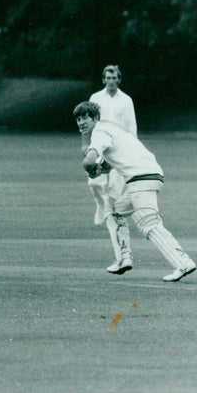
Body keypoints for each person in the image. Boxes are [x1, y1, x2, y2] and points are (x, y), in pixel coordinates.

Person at [76, 101, 196, 282]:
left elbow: (88, 162)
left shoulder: (99, 132)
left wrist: (91, 169)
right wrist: (99, 168)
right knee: (114, 211)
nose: (81, 122)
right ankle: (123, 258)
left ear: (95, 118)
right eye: (78, 119)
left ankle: (183, 263)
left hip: (141, 179)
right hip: (149, 175)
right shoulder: (111, 128)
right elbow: (110, 164)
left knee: (149, 224)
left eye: (85, 117)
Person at [82, 65, 138, 274]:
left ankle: (123, 256)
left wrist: (131, 151)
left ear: (119, 79)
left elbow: (132, 127)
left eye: (114, 77)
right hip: (100, 146)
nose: (111, 80)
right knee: (94, 183)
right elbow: (87, 121)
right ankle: (100, 207)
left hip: (119, 150)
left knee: (113, 197)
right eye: (108, 77)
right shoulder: (96, 97)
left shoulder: (126, 100)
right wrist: (86, 143)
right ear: (103, 79)